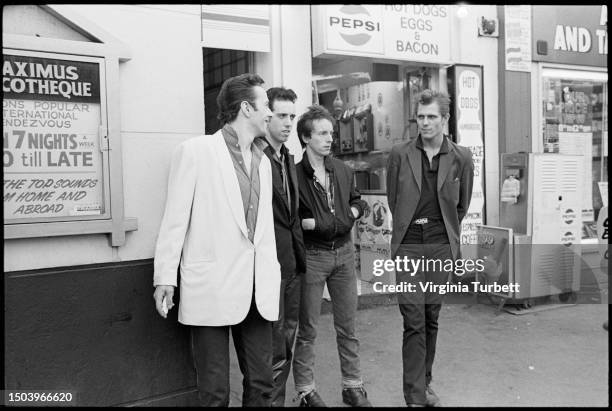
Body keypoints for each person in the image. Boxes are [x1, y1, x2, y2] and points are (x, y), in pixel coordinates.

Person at [152, 73, 281, 407]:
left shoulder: (264, 161)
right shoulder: (195, 152)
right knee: (214, 393)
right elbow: (174, 219)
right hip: (210, 286)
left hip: (257, 290)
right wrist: (165, 277)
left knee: (263, 385)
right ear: (246, 108)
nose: (270, 112)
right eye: (265, 104)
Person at [386, 89, 474, 407]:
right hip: (409, 245)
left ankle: (425, 381)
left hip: (440, 246)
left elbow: (460, 206)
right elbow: (394, 199)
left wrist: (442, 232)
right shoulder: (399, 153)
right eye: (421, 116)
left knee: (431, 316)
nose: (425, 122)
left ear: (445, 119)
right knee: (413, 318)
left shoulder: (462, 156)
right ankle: (414, 394)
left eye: (432, 116)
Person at [292, 105, 372, 407]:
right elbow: (293, 219)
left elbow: (357, 202)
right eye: (323, 133)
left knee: (348, 325)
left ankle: (353, 386)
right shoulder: (295, 175)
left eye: (331, 133)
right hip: (312, 257)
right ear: (306, 137)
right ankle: (305, 390)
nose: (330, 140)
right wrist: (310, 223)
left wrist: (351, 212)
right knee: (308, 328)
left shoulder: (343, 170)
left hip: (344, 253)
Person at [254, 87, 306, 407]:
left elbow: (292, 214)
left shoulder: (288, 157)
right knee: (271, 347)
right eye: (282, 116)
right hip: (268, 266)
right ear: (267, 116)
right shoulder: (255, 156)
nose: (288, 123)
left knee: (287, 342)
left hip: (292, 265)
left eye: (292, 116)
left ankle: (278, 402)